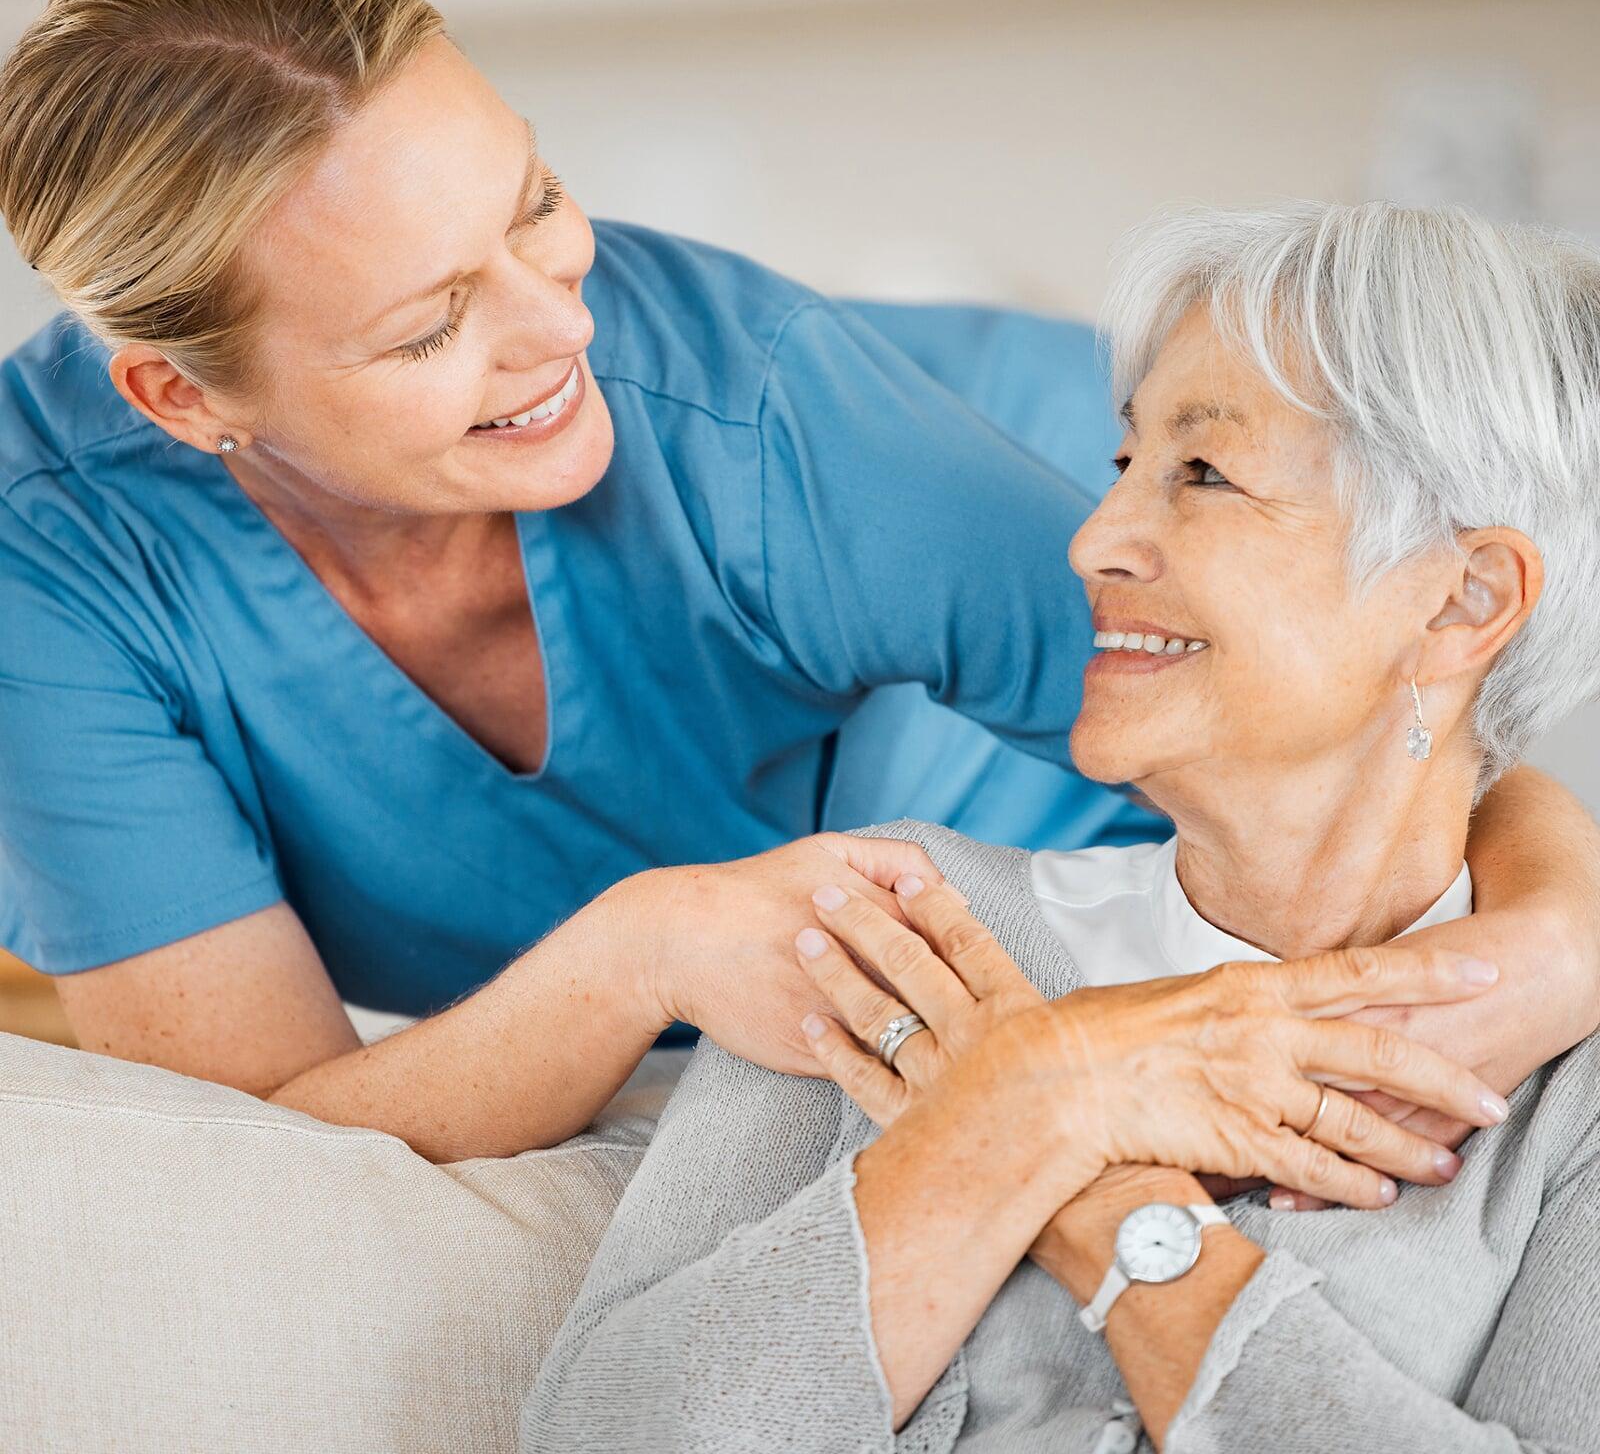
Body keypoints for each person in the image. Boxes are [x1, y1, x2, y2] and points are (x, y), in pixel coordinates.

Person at [0, 0, 1594, 1166]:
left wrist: (1563, 927)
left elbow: (1403, 698)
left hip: (1057, 519)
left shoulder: (752, 417)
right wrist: (642, 954)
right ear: (179, 398)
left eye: (538, 202)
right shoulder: (52, 557)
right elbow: (271, 1122)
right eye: (430, 325)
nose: (563, 321)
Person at [525, 203, 1600, 1453]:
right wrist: (1041, 1091)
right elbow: (606, 1433)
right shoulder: (904, 927)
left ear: (1463, 600)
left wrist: (1102, 1192)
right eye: (1124, 463)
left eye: (1203, 472)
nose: (1093, 542)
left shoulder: (1570, 1090)